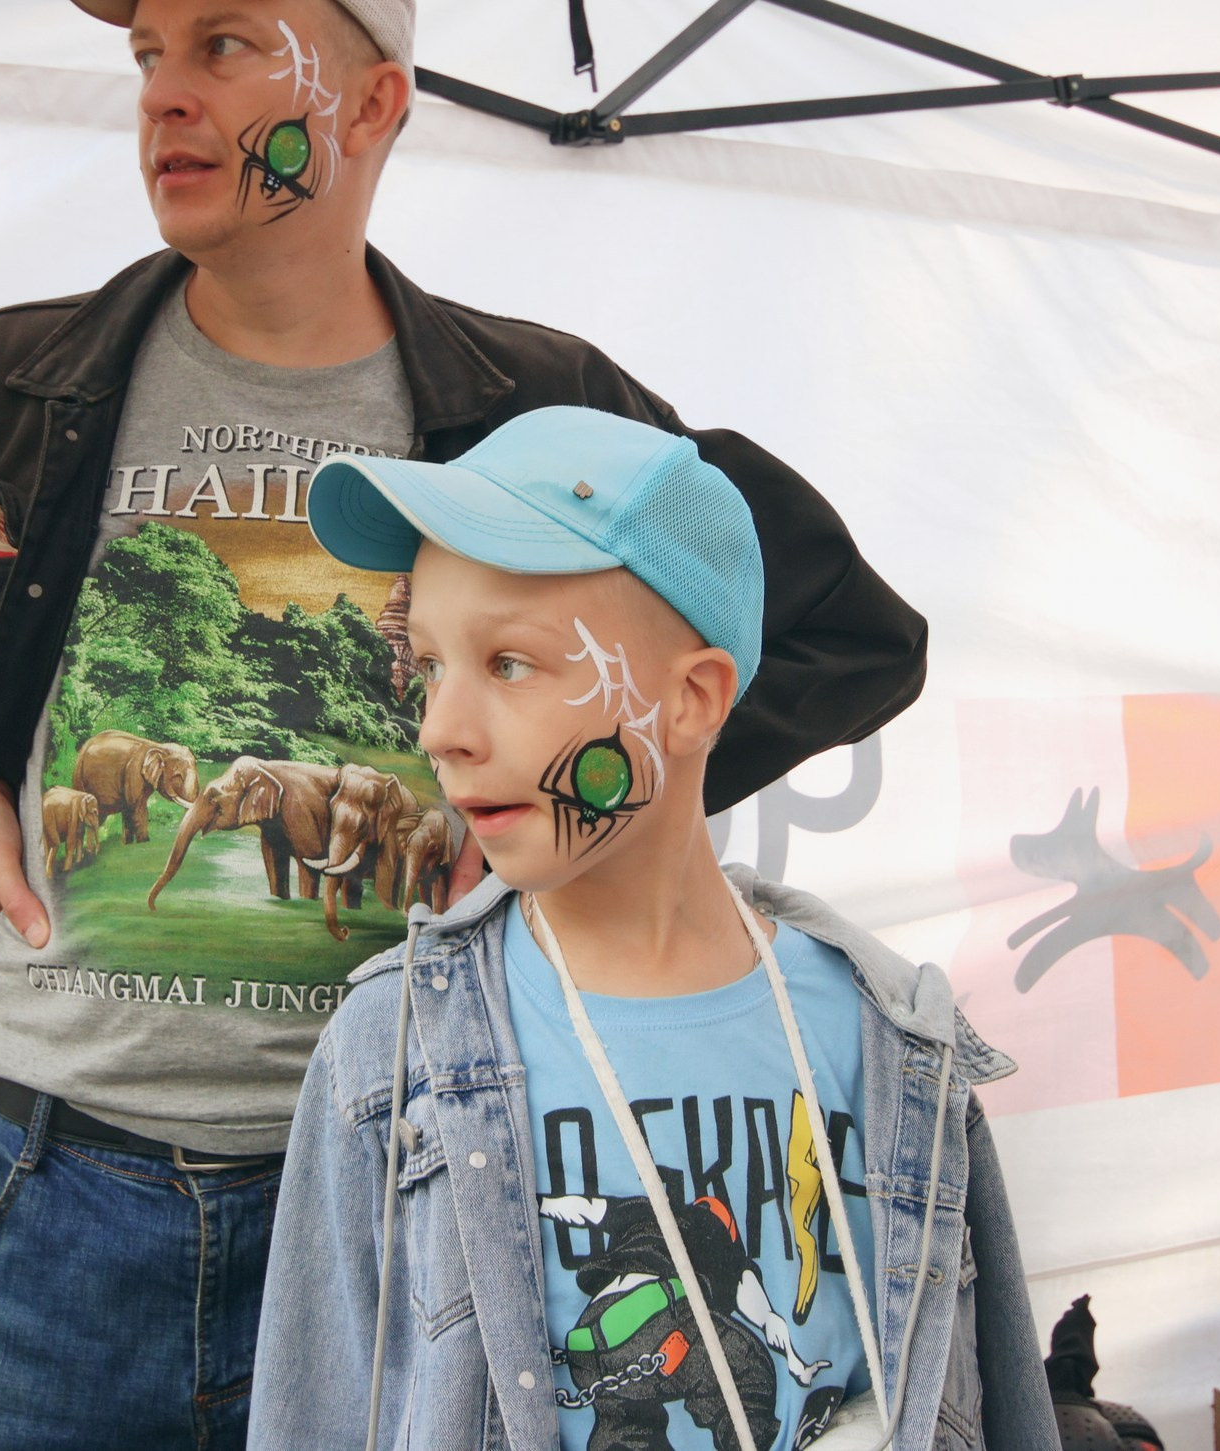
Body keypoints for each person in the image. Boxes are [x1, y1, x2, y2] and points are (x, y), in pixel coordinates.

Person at [0, 0, 928, 1451]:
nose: (167, 88)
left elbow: (839, 630)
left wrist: (558, 823)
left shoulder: (537, 412)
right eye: (152, 50)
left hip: (417, 1202)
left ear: (368, 104)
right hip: (49, 1209)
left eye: (228, 46)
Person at [253, 406, 1055, 1450]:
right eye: (431, 663)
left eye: (509, 665)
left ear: (691, 701)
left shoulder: (894, 1046)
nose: (441, 731)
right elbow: (316, 1409)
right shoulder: (392, 1045)